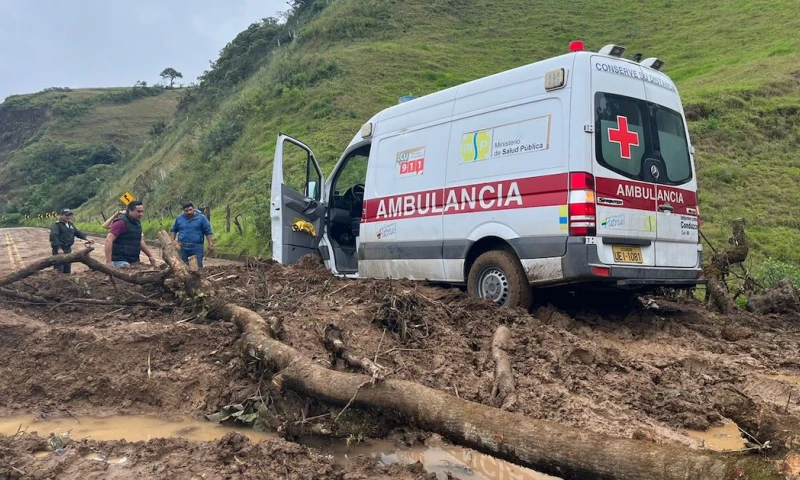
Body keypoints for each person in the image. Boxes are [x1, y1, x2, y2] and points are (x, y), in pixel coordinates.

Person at [105, 201, 157, 269]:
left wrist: (150, 256)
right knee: (126, 268)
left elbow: (140, 241)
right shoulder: (120, 223)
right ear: (130, 211)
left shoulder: (137, 223)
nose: (141, 214)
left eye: (142, 212)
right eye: (138, 211)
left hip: (134, 260)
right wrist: (108, 262)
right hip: (120, 260)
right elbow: (109, 240)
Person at [170, 202, 214, 268]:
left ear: (194, 209)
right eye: (186, 211)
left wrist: (210, 244)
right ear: (183, 211)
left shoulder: (201, 218)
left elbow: (207, 231)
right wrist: (172, 242)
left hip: (197, 247)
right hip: (183, 247)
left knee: (198, 267)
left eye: (190, 210)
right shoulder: (179, 218)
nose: (189, 212)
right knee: (183, 267)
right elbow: (174, 230)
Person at [49, 209, 93, 274]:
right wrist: (58, 248)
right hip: (60, 250)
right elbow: (54, 236)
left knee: (67, 268)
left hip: (68, 249)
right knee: (59, 269)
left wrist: (86, 238)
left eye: (70, 215)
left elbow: (77, 233)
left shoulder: (70, 224)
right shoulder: (57, 225)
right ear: (61, 215)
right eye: (66, 215)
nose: (68, 217)